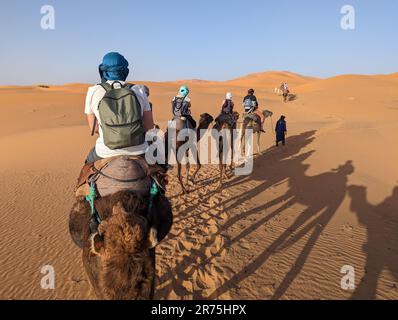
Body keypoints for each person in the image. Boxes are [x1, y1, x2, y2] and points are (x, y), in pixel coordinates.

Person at [84, 52, 154, 164]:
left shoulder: (93, 91)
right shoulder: (139, 90)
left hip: (105, 151)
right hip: (140, 150)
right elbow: (149, 126)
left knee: (87, 167)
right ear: (125, 71)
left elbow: (94, 128)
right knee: (160, 170)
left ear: (104, 71)